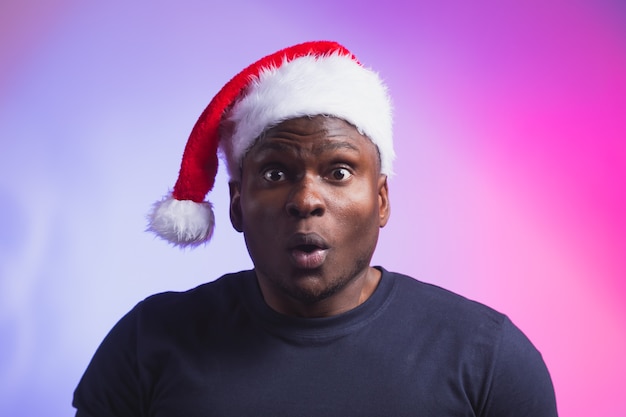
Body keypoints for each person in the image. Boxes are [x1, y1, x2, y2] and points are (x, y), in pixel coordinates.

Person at [73, 41, 558, 416]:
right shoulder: (149, 343)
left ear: (382, 199)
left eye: (339, 172)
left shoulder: (487, 358)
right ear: (237, 204)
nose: (306, 200)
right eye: (275, 173)